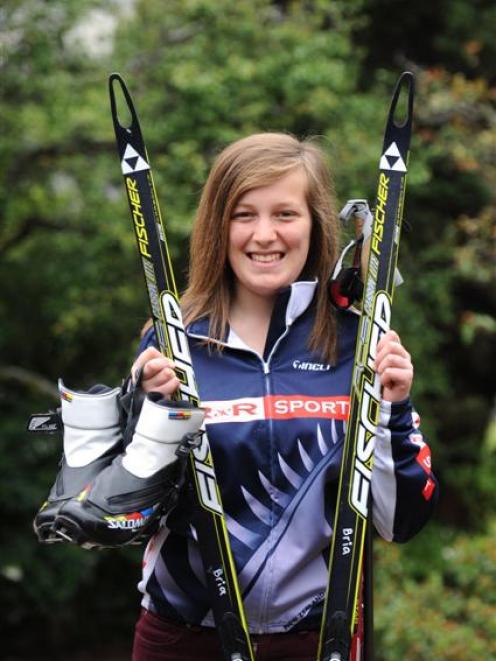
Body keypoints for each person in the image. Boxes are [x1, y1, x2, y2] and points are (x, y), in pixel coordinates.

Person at [34, 132, 438, 660]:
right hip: (183, 638)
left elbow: (399, 521)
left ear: (315, 225)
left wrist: (391, 408)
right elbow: (123, 522)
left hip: (317, 642)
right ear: (217, 226)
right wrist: (144, 415)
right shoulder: (172, 341)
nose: (264, 234)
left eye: (285, 214)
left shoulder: (356, 343)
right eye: (244, 214)